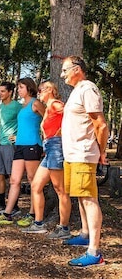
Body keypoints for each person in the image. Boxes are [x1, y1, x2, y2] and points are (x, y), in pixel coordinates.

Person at [60, 56, 108, 267]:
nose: (62, 75)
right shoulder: (76, 91)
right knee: (80, 196)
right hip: (72, 155)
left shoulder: (88, 89)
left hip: (83, 153)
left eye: (65, 70)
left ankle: (94, 252)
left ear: (77, 69)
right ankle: (85, 233)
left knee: (89, 199)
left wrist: (102, 152)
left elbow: (101, 125)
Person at [0, 77, 44, 226]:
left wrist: (46, 140)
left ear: (29, 88)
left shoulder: (36, 103)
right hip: (19, 146)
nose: (18, 90)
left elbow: (48, 119)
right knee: (14, 180)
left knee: (33, 181)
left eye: (21, 87)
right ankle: (7, 213)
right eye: (18, 87)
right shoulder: (22, 105)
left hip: (32, 144)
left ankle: (33, 214)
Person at [21, 81, 72, 239]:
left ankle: (64, 228)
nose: (39, 92)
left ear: (50, 90)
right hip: (49, 148)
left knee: (60, 190)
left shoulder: (56, 104)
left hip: (56, 147)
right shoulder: (49, 107)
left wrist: (60, 133)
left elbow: (71, 117)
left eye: (41, 90)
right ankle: (38, 224)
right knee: (36, 185)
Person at [0, 82, 22, 215]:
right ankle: (1, 203)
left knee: (13, 176)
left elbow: (25, 121)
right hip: (0, 144)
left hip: (10, 146)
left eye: (2, 91)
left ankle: (15, 206)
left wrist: (18, 136)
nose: (0, 94)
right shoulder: (1, 106)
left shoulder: (17, 106)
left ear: (10, 92)